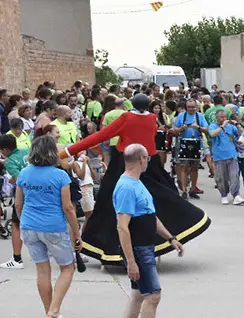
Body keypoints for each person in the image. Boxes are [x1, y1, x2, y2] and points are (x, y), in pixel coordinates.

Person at [59, 93, 210, 264]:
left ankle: (108, 248)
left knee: (108, 204)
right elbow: (152, 140)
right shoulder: (152, 118)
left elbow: (100, 136)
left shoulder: (126, 118)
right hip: (149, 164)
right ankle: (164, 239)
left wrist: (67, 151)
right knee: (163, 199)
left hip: (124, 163)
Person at [108, 143, 183, 318]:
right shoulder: (126, 188)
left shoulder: (137, 183)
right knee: (153, 296)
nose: (149, 161)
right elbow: (123, 227)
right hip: (139, 250)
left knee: (139, 295)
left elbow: (150, 215)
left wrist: (171, 238)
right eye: (147, 158)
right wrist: (131, 261)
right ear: (141, 159)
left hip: (146, 247)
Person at [15, 135, 82, 318]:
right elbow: (68, 208)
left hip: (29, 225)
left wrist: (24, 218)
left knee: (42, 270)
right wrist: (76, 234)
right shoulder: (60, 175)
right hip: (53, 226)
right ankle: (53, 311)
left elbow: (18, 203)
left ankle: (50, 312)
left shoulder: (24, 174)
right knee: (67, 268)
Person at [0, 134, 28, 269]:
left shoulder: (9, 161)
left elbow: (18, 180)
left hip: (24, 196)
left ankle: (17, 259)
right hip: (40, 191)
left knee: (16, 224)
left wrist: (11, 180)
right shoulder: (26, 151)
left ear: (5, 149)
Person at [173, 99, 208, 199]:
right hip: (184, 142)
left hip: (196, 143)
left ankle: (193, 189)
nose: (191, 109)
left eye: (193, 107)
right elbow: (174, 130)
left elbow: (206, 129)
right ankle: (184, 190)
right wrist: (181, 129)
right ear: (186, 107)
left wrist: (198, 128)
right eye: (189, 107)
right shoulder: (181, 116)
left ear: (196, 107)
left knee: (195, 168)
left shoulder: (200, 116)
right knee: (184, 166)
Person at [208, 110, 244, 206]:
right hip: (219, 157)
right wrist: (222, 126)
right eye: (221, 117)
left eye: (225, 117)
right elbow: (212, 134)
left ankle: (236, 195)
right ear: (217, 118)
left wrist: (238, 125)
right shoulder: (212, 126)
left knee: (234, 175)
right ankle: (224, 195)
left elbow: (241, 134)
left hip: (232, 155)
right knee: (221, 178)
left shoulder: (231, 126)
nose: (224, 119)